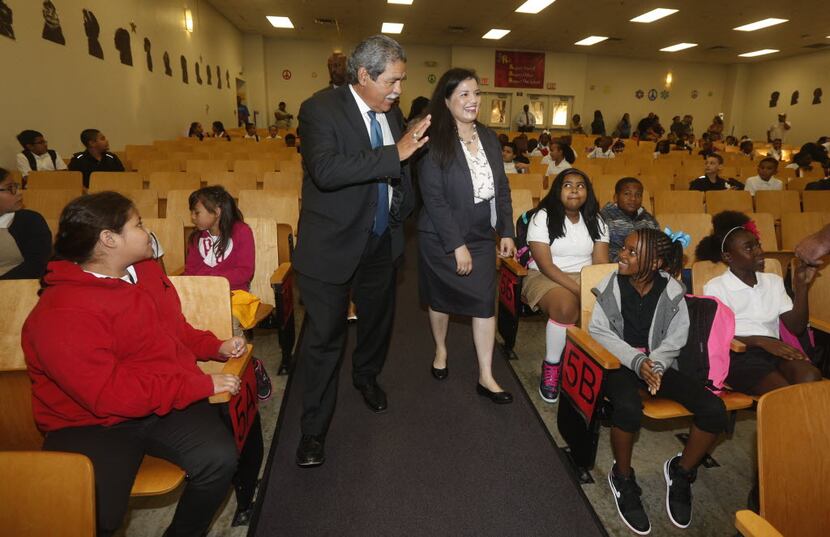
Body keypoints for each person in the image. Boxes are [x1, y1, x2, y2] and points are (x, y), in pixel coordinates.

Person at [22, 192, 247, 537]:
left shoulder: (142, 271)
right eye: (138, 224)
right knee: (93, 514)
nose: (147, 231)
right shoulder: (61, 313)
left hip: (158, 398)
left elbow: (174, 330)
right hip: (92, 421)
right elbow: (110, 395)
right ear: (109, 240)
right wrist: (199, 385)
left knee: (218, 459)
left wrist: (214, 347)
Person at [292, 34, 427, 468]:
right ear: (364, 75)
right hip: (331, 247)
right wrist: (396, 151)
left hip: (380, 242)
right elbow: (327, 171)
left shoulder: (392, 112)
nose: (398, 90)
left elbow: (399, 169)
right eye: (393, 80)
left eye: (402, 81)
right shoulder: (319, 110)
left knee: (377, 325)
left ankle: (366, 377)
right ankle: (313, 430)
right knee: (324, 340)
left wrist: (404, 206)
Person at [592, 228, 726, 533]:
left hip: (659, 365)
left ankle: (681, 472)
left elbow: (677, 338)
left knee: (714, 410)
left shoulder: (673, 289)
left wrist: (656, 365)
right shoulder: (611, 284)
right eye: (623, 249)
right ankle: (623, 478)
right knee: (626, 409)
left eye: (631, 252)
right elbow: (599, 331)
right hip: (620, 363)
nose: (621, 255)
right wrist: (638, 363)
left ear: (655, 263)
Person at [417, 68, 516, 403]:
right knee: (440, 300)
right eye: (463, 94)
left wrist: (506, 229)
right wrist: (456, 244)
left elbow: (501, 186)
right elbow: (433, 198)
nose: (473, 100)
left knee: (484, 304)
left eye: (476, 93)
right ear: (446, 101)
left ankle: (486, 376)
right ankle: (441, 349)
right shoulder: (434, 142)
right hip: (442, 237)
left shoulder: (488, 137)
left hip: (480, 234)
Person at [184, 185, 265, 524]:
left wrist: (209, 283)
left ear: (216, 212)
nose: (193, 217)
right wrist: (207, 284)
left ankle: (242, 369)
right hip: (206, 298)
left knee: (227, 321)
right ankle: (207, 383)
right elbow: (189, 275)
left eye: (198, 211)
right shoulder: (195, 240)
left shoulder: (241, 233)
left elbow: (242, 273)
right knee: (188, 316)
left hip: (233, 300)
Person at [697, 211, 822, 395]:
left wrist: (802, 287)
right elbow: (716, 338)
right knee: (782, 392)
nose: (759, 251)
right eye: (749, 248)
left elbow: (797, 327)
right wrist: (760, 341)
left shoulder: (773, 281)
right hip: (738, 353)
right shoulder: (716, 287)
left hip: (774, 349)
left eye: (758, 245)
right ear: (728, 257)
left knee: (810, 376)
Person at [523, 169, 609, 403]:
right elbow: (545, 264)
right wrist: (580, 290)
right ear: (558, 190)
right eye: (567, 185)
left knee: (613, 307)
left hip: (585, 275)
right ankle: (552, 365)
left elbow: (600, 264)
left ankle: (600, 369)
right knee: (566, 308)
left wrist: (595, 289)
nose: (574, 190)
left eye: (580, 186)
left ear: (587, 192)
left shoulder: (597, 220)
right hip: (546, 276)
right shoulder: (543, 216)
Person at [0, 168, 51, 279]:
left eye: (16, 186)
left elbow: (37, 266)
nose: (19, 193)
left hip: (18, 288)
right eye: (10, 188)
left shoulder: (30, 220)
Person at [600, 177, 660, 262]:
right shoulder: (604, 218)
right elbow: (602, 253)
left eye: (638, 195)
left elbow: (657, 246)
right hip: (615, 267)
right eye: (627, 194)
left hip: (644, 267)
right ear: (616, 197)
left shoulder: (649, 219)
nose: (633, 199)